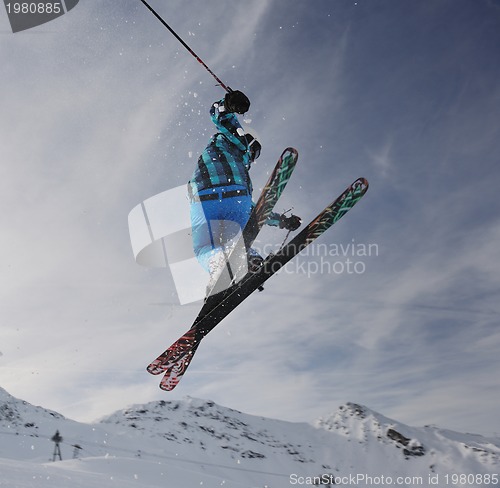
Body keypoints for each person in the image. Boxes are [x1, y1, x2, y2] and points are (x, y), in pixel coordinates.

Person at [188, 90, 301, 289]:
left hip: (204, 198)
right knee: (238, 243)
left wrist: (228, 105)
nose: (252, 156)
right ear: (250, 140)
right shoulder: (237, 143)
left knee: (205, 247)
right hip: (236, 198)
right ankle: (250, 262)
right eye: (255, 151)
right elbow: (219, 114)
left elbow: (219, 114)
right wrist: (228, 104)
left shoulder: (225, 151)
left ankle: (220, 263)